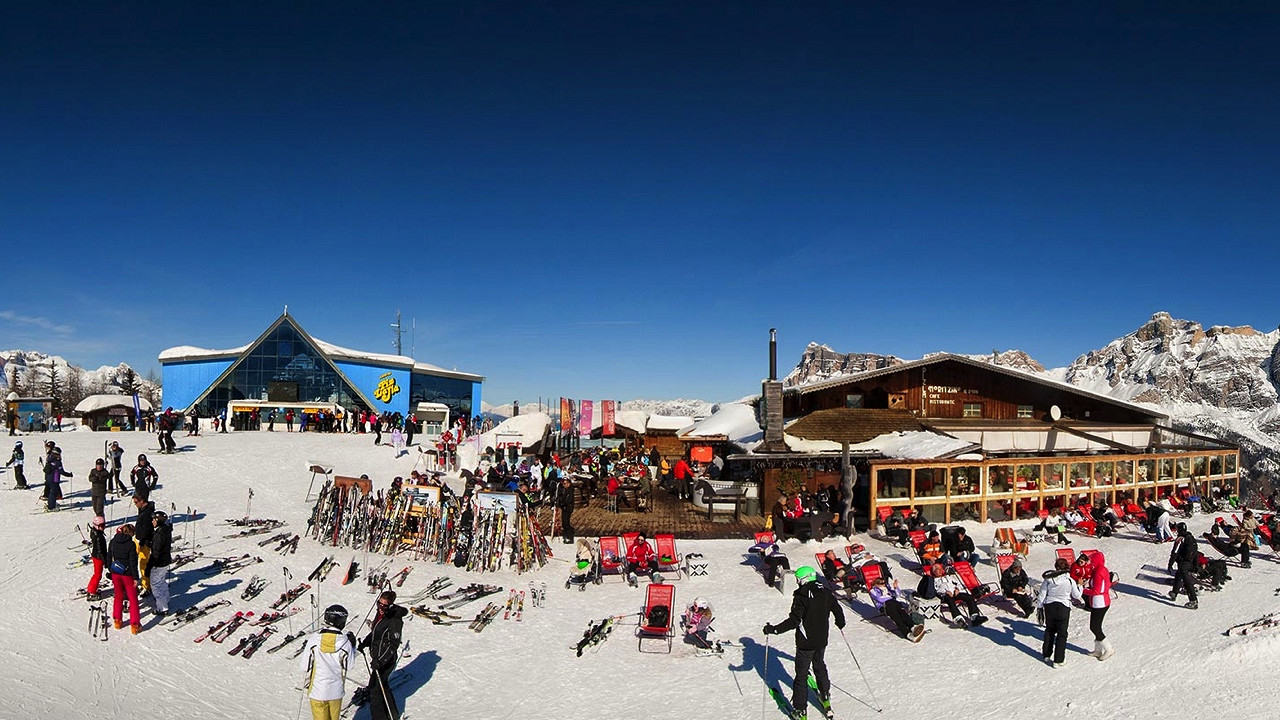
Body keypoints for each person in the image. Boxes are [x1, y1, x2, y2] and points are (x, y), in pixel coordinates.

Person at [763, 566, 845, 720]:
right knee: (819, 665)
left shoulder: (801, 596)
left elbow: (794, 621)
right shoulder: (825, 591)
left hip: (805, 643)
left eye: (798, 580)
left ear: (804, 579)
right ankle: (825, 694)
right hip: (821, 640)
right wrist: (840, 622)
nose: (797, 583)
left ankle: (800, 710)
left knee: (801, 675)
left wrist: (773, 630)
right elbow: (837, 608)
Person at [300, 604, 357, 720]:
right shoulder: (345, 643)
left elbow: (304, 666)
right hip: (336, 691)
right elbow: (349, 666)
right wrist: (353, 646)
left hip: (318, 691)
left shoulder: (314, 640)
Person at [359, 590, 406, 720]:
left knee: (374, 689)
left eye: (384, 606)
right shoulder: (380, 614)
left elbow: (393, 644)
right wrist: (365, 643)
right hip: (377, 657)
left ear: (391, 605)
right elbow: (376, 633)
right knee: (382, 685)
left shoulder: (394, 620)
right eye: (379, 604)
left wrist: (380, 660)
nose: (380, 608)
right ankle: (393, 714)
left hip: (386, 659)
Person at [1036, 557, 1083, 667]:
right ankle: (1058, 660)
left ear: (1056, 568)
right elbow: (1077, 595)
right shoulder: (1069, 580)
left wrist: (1040, 607)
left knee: (1049, 630)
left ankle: (1046, 654)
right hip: (1063, 607)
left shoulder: (1048, 580)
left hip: (1050, 606)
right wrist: (1080, 585)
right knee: (1062, 634)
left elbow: (1042, 595)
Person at [929, 562, 987, 626]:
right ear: (933, 572)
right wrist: (945, 592)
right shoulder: (934, 580)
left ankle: (975, 617)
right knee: (950, 600)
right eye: (937, 569)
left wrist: (957, 589)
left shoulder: (948, 577)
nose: (939, 570)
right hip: (945, 596)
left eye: (940, 568)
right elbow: (936, 590)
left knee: (969, 597)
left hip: (954, 593)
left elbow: (959, 584)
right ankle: (958, 619)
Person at [108, 523, 142, 633]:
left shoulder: (113, 541)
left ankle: (117, 620)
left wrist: (110, 569)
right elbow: (133, 563)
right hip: (127, 574)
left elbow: (109, 557)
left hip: (115, 572)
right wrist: (136, 578)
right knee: (133, 599)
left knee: (118, 596)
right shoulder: (131, 544)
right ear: (131, 533)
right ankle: (135, 624)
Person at [868, 576, 922, 641]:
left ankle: (912, 626)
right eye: (880, 583)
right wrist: (890, 597)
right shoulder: (873, 590)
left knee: (903, 613)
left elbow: (898, 595)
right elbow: (879, 599)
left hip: (893, 603)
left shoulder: (887, 588)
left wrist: (896, 588)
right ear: (875, 584)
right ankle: (906, 633)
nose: (883, 584)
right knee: (897, 617)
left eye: (884, 582)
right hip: (884, 606)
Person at [1082, 550, 1114, 659]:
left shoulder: (1099, 571)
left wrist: (1084, 590)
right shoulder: (1100, 569)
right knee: (1095, 626)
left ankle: (1109, 649)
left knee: (1095, 627)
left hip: (1100, 603)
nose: (1090, 562)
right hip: (1098, 602)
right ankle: (1098, 650)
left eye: (1091, 560)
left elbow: (1097, 590)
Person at [1168, 522, 1199, 610]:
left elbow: (1175, 552)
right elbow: (1196, 551)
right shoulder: (1191, 537)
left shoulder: (1181, 539)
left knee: (1187, 582)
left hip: (1183, 563)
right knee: (1178, 575)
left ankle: (1193, 600)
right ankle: (1174, 592)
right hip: (1190, 562)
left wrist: (1170, 564)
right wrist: (1195, 564)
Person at [149, 510, 172, 617]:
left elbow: (156, 552)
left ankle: (162, 608)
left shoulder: (159, 534)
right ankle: (166, 599)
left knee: (155, 585)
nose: (152, 521)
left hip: (159, 562)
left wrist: (150, 564)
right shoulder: (165, 530)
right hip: (165, 560)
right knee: (161, 581)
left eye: (153, 519)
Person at [133, 494, 155, 594]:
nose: (135, 505)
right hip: (138, 540)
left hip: (144, 542)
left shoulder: (147, 513)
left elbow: (146, 529)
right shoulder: (143, 510)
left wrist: (142, 541)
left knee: (143, 563)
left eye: (136, 502)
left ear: (142, 501)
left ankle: (147, 585)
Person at [41, 441, 70, 511]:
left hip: (48, 477)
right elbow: (61, 471)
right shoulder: (57, 462)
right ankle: (51, 506)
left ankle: (52, 503)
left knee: (52, 491)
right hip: (54, 478)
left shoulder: (50, 458)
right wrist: (69, 474)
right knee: (54, 491)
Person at [86, 515, 109, 599]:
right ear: (96, 526)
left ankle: (91, 589)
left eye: (104, 525)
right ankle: (91, 592)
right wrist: (105, 561)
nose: (103, 527)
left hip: (96, 556)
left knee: (97, 574)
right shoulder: (99, 537)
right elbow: (100, 550)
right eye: (101, 526)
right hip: (98, 557)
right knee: (98, 575)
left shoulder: (95, 532)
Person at [555, 475, 575, 544]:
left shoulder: (570, 491)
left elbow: (568, 500)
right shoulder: (564, 490)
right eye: (563, 483)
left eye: (565, 483)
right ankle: (568, 534)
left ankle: (570, 536)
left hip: (567, 508)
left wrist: (562, 502)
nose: (564, 485)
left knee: (566, 523)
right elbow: (560, 496)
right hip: (564, 507)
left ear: (568, 484)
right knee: (564, 523)